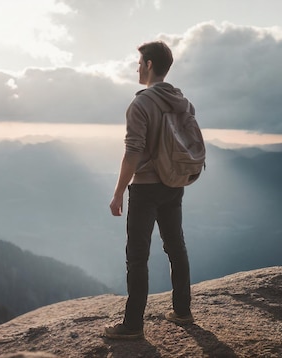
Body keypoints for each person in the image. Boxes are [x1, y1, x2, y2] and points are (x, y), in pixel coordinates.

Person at [104, 41, 194, 340]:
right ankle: (182, 311)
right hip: (174, 184)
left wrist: (118, 192)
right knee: (176, 248)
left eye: (139, 62)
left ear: (150, 65)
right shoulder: (182, 102)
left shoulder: (141, 104)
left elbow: (133, 153)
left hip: (145, 189)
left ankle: (132, 326)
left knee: (137, 257)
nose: (137, 67)